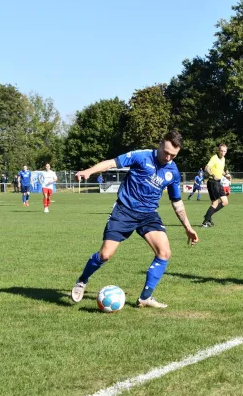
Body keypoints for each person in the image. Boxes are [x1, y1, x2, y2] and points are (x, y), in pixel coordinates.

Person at [70, 131, 199, 309]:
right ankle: (82, 281)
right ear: (160, 144)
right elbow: (112, 163)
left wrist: (188, 227)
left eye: (173, 155)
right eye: (166, 152)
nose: (168, 157)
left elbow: (176, 201)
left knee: (164, 252)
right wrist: (89, 171)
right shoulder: (141, 156)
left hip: (148, 215)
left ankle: (145, 298)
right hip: (124, 210)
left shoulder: (173, 171)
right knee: (105, 255)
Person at [201, 144, 231, 227]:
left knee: (225, 202)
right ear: (219, 150)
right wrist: (212, 174)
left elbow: (221, 170)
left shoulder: (223, 159)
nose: (223, 153)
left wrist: (226, 175)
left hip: (218, 183)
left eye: (224, 151)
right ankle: (205, 222)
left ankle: (208, 215)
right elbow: (207, 168)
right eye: (221, 151)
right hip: (212, 182)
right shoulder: (214, 158)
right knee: (215, 203)